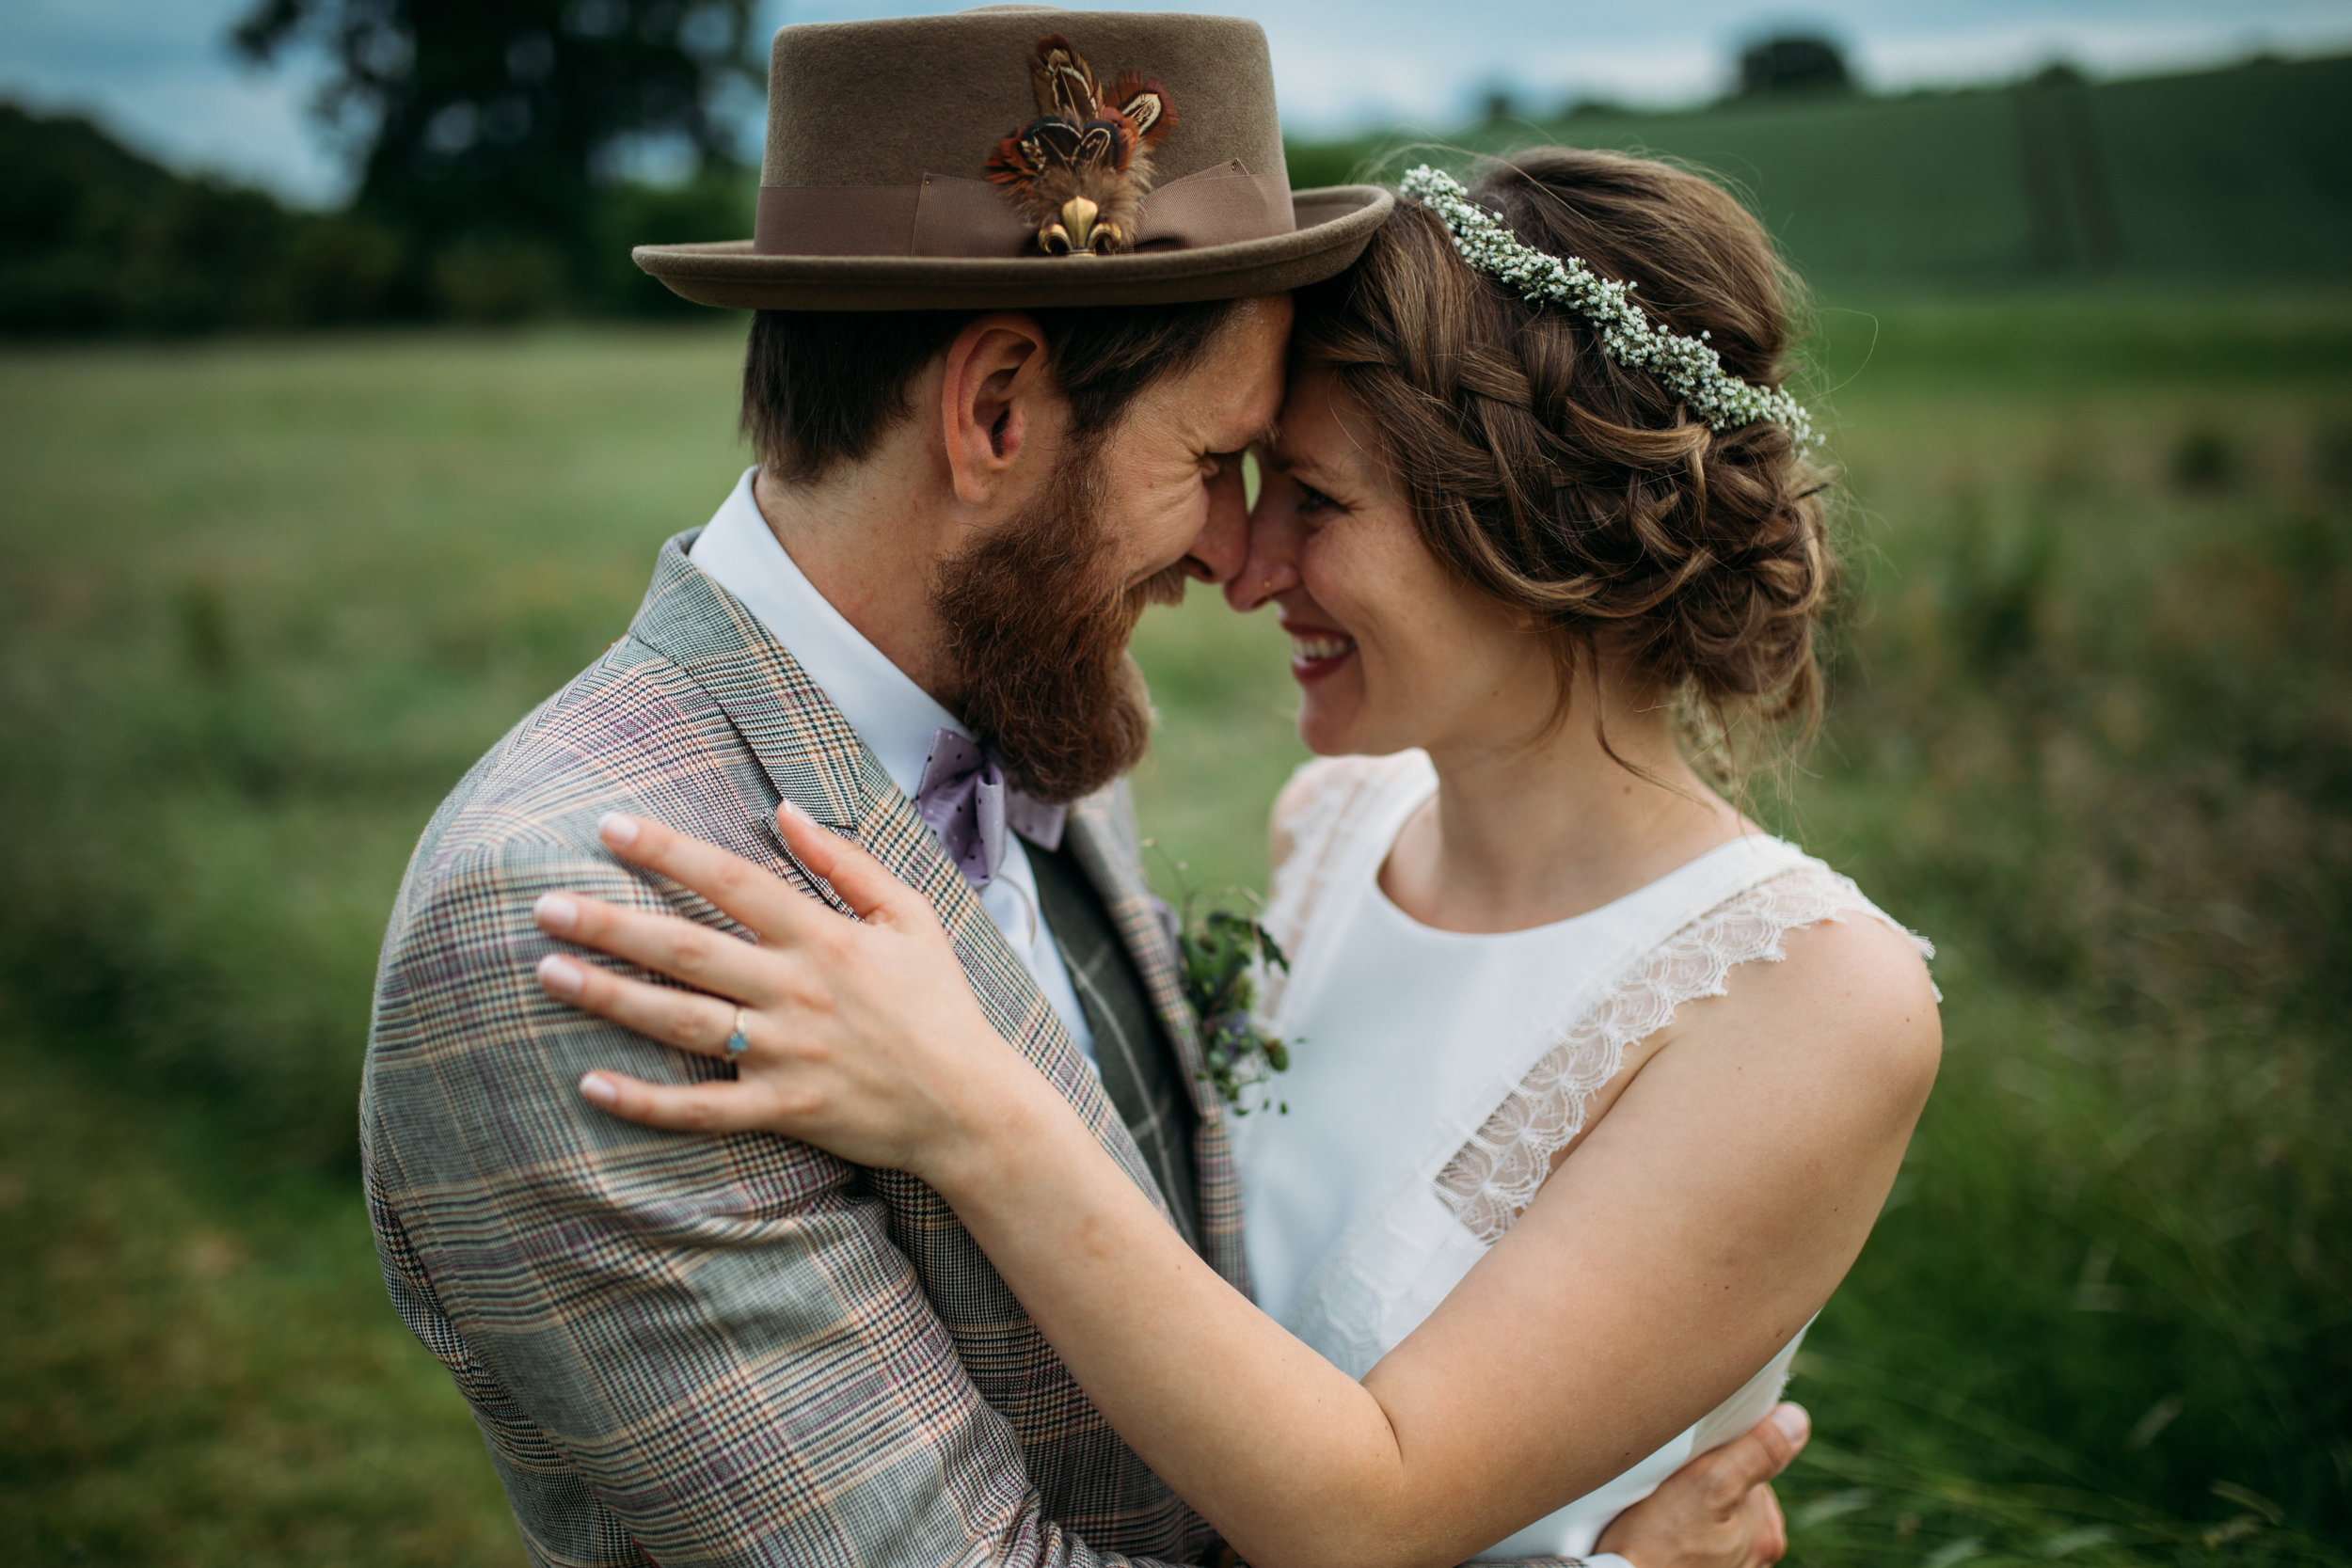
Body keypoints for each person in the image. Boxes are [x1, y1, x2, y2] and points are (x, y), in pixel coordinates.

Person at [363, 10, 1792, 1565]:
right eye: (1213, 458)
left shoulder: (1022, 708)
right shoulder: (577, 924)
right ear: (994, 414)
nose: (1239, 556)